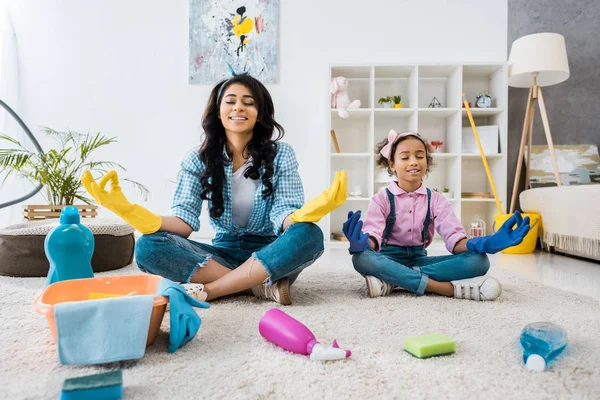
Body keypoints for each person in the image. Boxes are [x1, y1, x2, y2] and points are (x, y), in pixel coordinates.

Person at [82, 73, 347, 305]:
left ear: (260, 113)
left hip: (270, 250)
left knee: (309, 234)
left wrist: (305, 213)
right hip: (221, 253)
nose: (238, 108)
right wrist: (133, 212)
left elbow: (284, 214)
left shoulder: (282, 154)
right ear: (218, 112)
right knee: (148, 247)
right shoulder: (197, 159)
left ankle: (213, 289)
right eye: (230, 101)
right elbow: (184, 221)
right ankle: (257, 284)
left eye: (249, 102)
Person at [343, 130, 530, 301]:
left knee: (479, 261)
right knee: (361, 258)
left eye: (419, 156)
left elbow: (456, 243)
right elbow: (373, 236)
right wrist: (363, 243)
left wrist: (487, 243)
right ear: (392, 164)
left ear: (427, 162)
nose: (414, 162)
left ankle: (392, 280)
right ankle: (444, 288)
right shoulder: (381, 199)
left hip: (419, 259)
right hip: (386, 259)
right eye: (405, 157)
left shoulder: (437, 200)